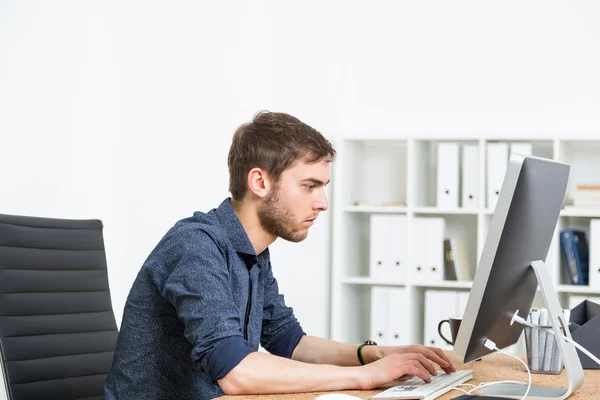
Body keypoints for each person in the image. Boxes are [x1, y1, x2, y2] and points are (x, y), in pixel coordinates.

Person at [104, 111, 456, 400]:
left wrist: (375, 354)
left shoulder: (253, 252)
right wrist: (364, 377)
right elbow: (236, 373)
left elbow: (290, 342)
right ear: (260, 182)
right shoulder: (196, 247)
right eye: (309, 186)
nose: (322, 203)